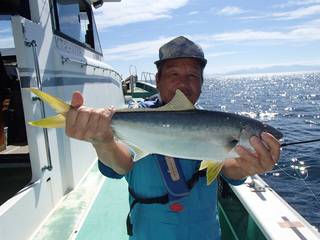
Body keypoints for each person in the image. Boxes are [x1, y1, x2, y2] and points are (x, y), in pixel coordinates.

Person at [65, 36, 281, 240]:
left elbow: (229, 168)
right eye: (174, 75)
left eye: (192, 76)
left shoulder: (212, 124)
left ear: (202, 82)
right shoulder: (136, 116)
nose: (183, 84)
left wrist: (248, 166)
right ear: (158, 80)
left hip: (205, 233)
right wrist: (102, 141)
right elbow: (120, 165)